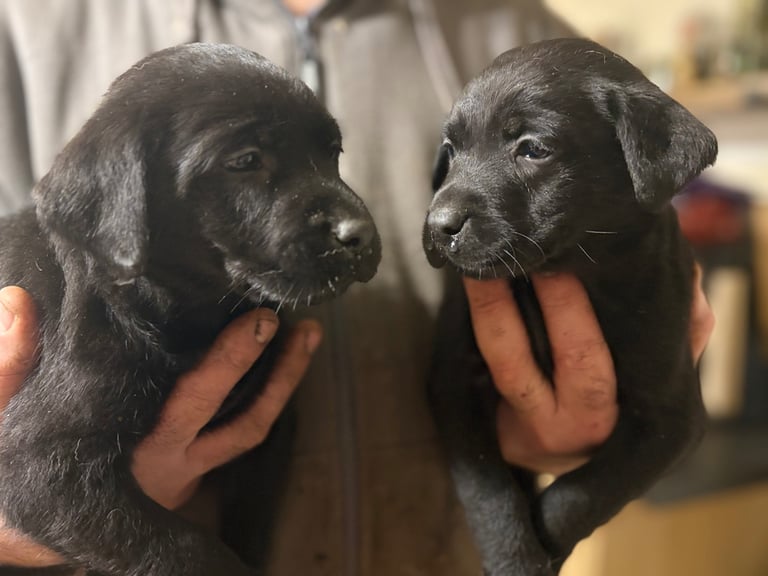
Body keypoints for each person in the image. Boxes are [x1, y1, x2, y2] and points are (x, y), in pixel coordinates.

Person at [0, 1, 714, 574]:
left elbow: (632, 236)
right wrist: (36, 521)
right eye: (245, 160)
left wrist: (582, 436)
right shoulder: (27, 32)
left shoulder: (514, 26)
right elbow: (32, 463)